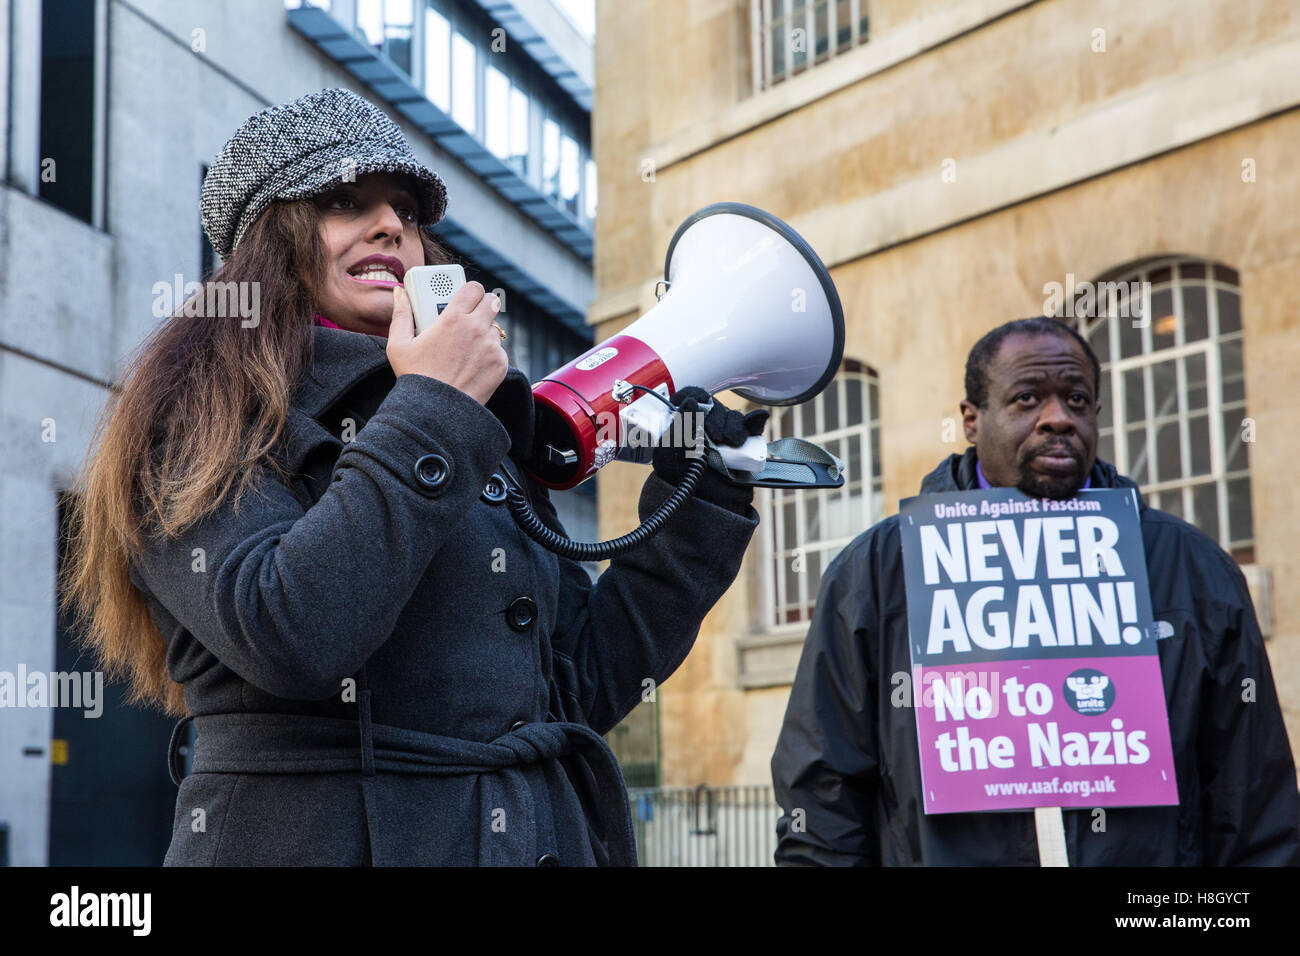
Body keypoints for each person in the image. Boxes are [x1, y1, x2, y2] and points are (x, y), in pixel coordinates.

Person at [60, 87, 765, 866]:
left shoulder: (470, 418)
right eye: (344, 200)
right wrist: (433, 405)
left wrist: (698, 495)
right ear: (269, 239)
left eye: (406, 210)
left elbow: (580, 687)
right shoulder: (196, 415)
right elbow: (291, 632)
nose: (391, 224)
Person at [771, 316, 1300, 865]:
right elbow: (824, 801)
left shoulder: (1195, 571)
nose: (1057, 419)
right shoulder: (876, 575)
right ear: (972, 421)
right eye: (1027, 399)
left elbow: (1254, 803)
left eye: (1076, 399)